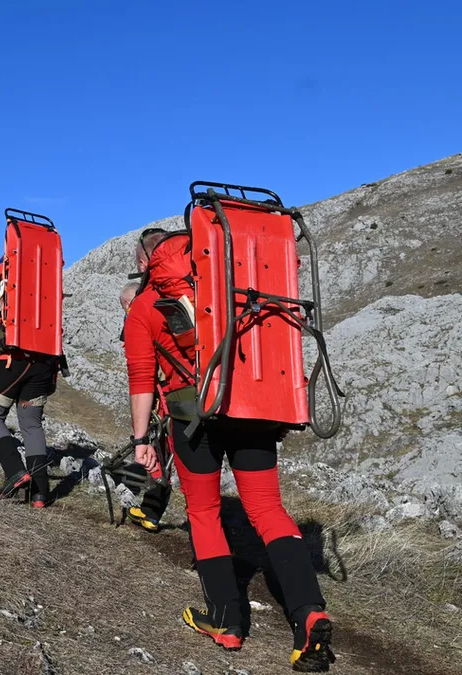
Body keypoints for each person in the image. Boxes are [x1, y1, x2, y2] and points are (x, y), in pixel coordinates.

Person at [124, 228, 333, 669]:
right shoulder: (231, 284)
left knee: (204, 511)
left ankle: (226, 620)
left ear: (146, 263)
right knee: (268, 510)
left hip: (194, 415)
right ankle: (309, 612)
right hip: (255, 405)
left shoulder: (145, 306)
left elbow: (142, 378)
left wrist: (141, 440)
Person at [0, 262, 62, 508]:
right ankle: (40, 494)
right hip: (44, 361)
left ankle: (14, 470)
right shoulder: (47, 278)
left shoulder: (0, 276)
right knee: (31, 425)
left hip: (10, 360)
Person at [119, 277, 173, 533]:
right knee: (161, 451)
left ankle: (152, 510)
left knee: (160, 452)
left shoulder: (141, 314)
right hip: (167, 393)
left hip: (162, 396)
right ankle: (151, 510)